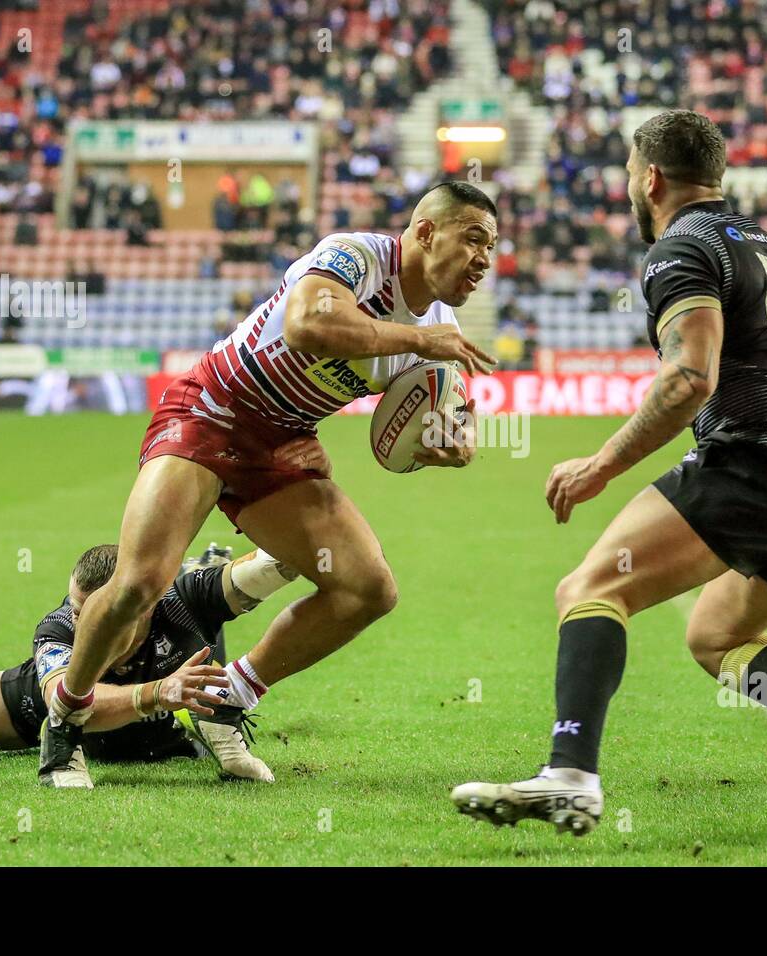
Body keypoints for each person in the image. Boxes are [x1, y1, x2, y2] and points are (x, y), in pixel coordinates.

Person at [451, 111, 767, 834]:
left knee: (591, 587)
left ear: (652, 178)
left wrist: (601, 464)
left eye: (632, 175)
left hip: (765, 463)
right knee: (717, 636)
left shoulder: (680, 246)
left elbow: (690, 376)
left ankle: (569, 774)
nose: (630, 189)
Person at [39, 181, 499, 788]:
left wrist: (449, 443)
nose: (485, 260)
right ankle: (66, 720)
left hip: (281, 445)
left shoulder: (440, 331)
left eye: (492, 247)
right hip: (211, 411)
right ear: (424, 232)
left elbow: (425, 421)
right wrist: (418, 340)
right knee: (140, 583)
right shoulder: (357, 257)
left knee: (368, 589)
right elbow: (309, 322)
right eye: (473, 239)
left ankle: (228, 697)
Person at [0, 544, 298, 783]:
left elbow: (278, 560)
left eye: (95, 613)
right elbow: (67, 700)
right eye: (77, 610)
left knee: (202, 654)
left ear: (141, 604)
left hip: (163, 721)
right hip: (46, 700)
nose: (82, 624)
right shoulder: (58, 631)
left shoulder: (179, 602)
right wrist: (155, 693)